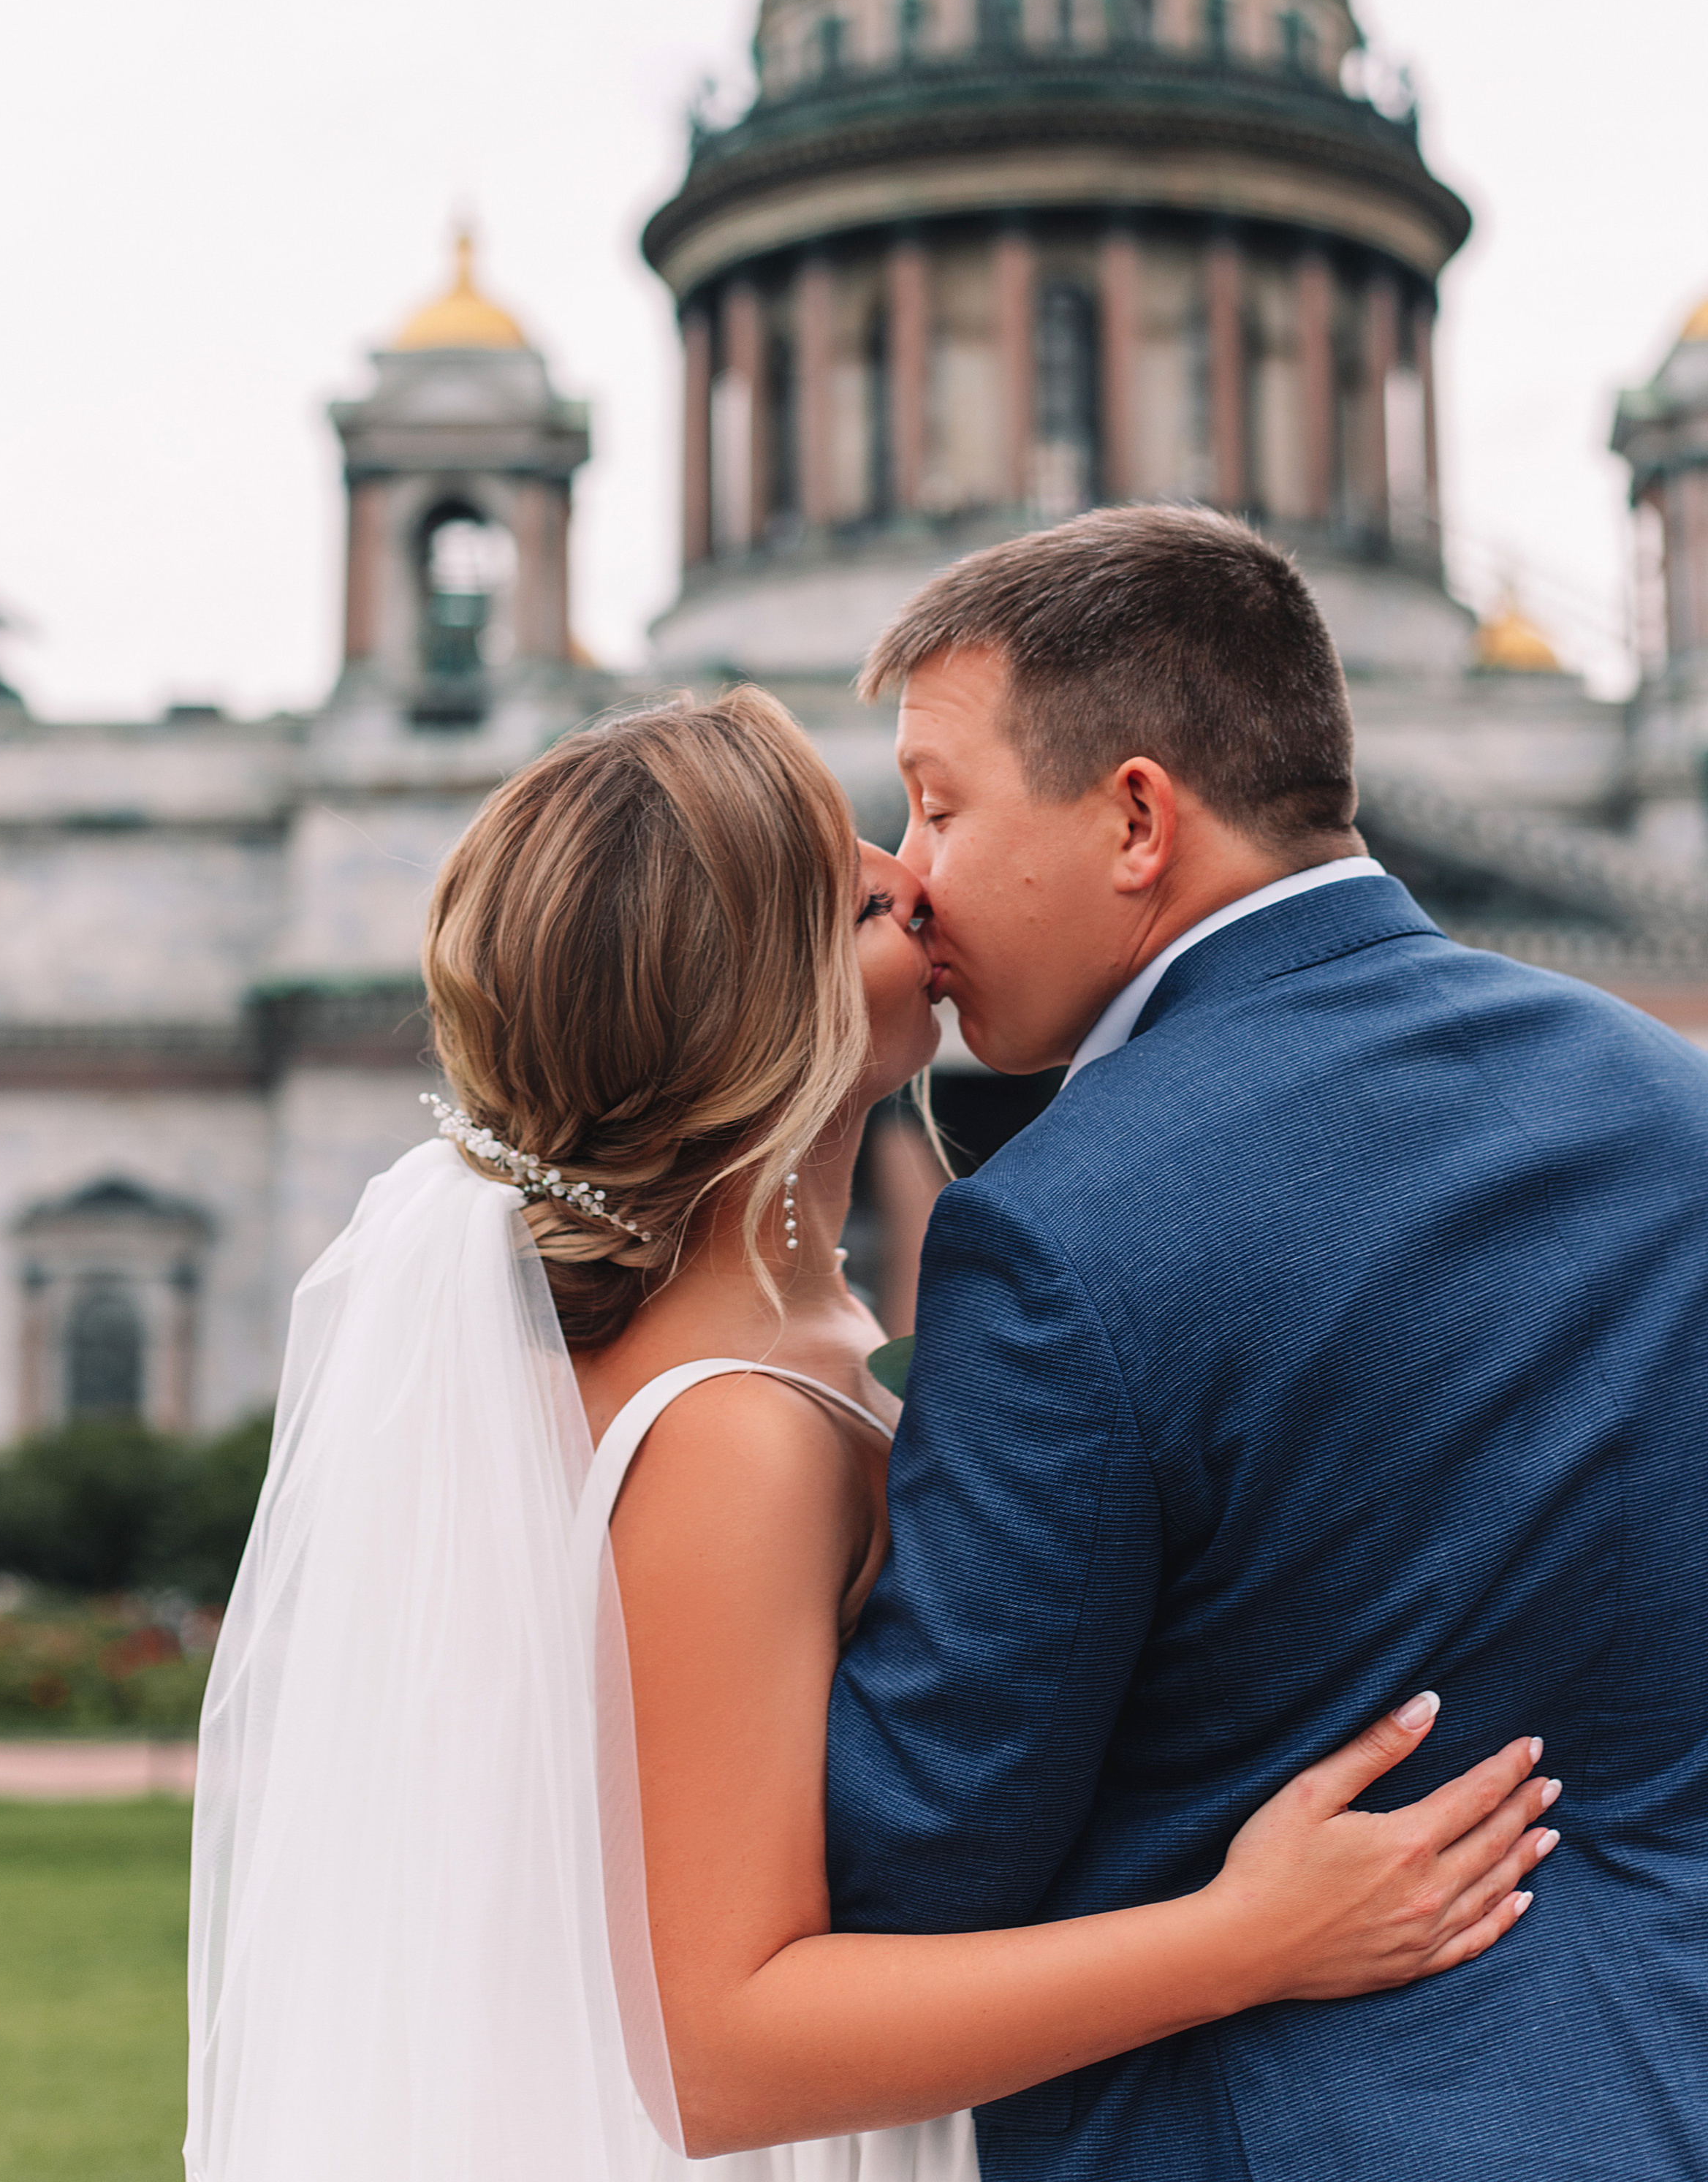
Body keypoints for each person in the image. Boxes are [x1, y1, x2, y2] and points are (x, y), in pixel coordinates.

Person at [186, 686, 1554, 2182]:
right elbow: (715, 2049)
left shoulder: (780, 1343)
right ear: (762, 1008)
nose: (916, 879)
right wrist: (1243, 1940)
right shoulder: (726, 1434)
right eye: (853, 900)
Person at [829, 504, 1707, 2181]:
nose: (911, 877)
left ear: (1136, 819)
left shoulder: (1061, 1225)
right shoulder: (1667, 1109)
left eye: (938, 806)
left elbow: (911, 1856)